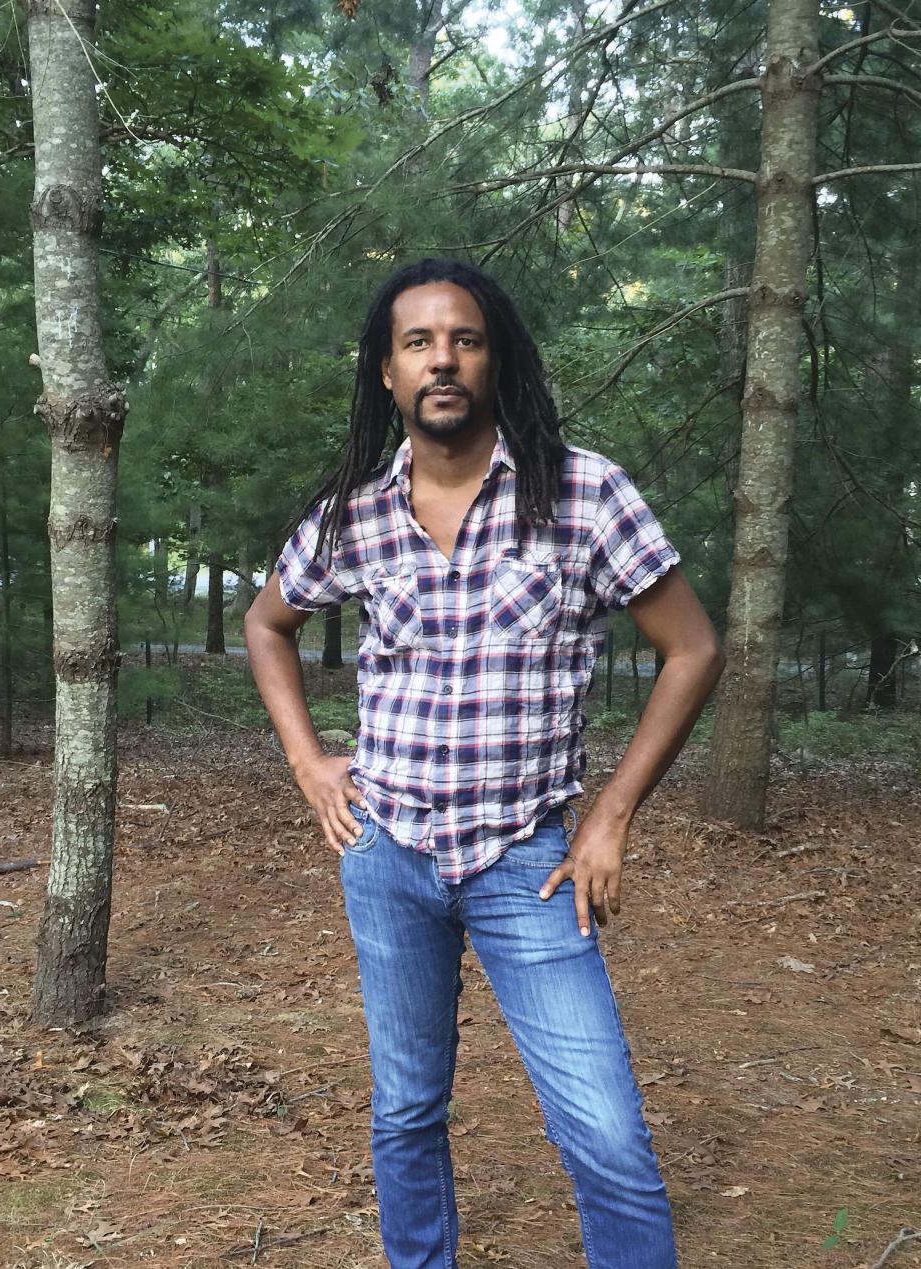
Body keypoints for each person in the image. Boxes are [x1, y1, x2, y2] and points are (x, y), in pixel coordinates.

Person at [244, 257, 724, 1269]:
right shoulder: (356, 513)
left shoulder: (583, 492)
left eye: (463, 338)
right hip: (389, 857)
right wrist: (308, 763)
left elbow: (693, 649)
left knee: (607, 1137)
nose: (443, 359)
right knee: (407, 1110)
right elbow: (267, 624)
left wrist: (612, 816)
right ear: (387, 373)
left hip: (526, 862)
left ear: (495, 358)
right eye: (418, 342)